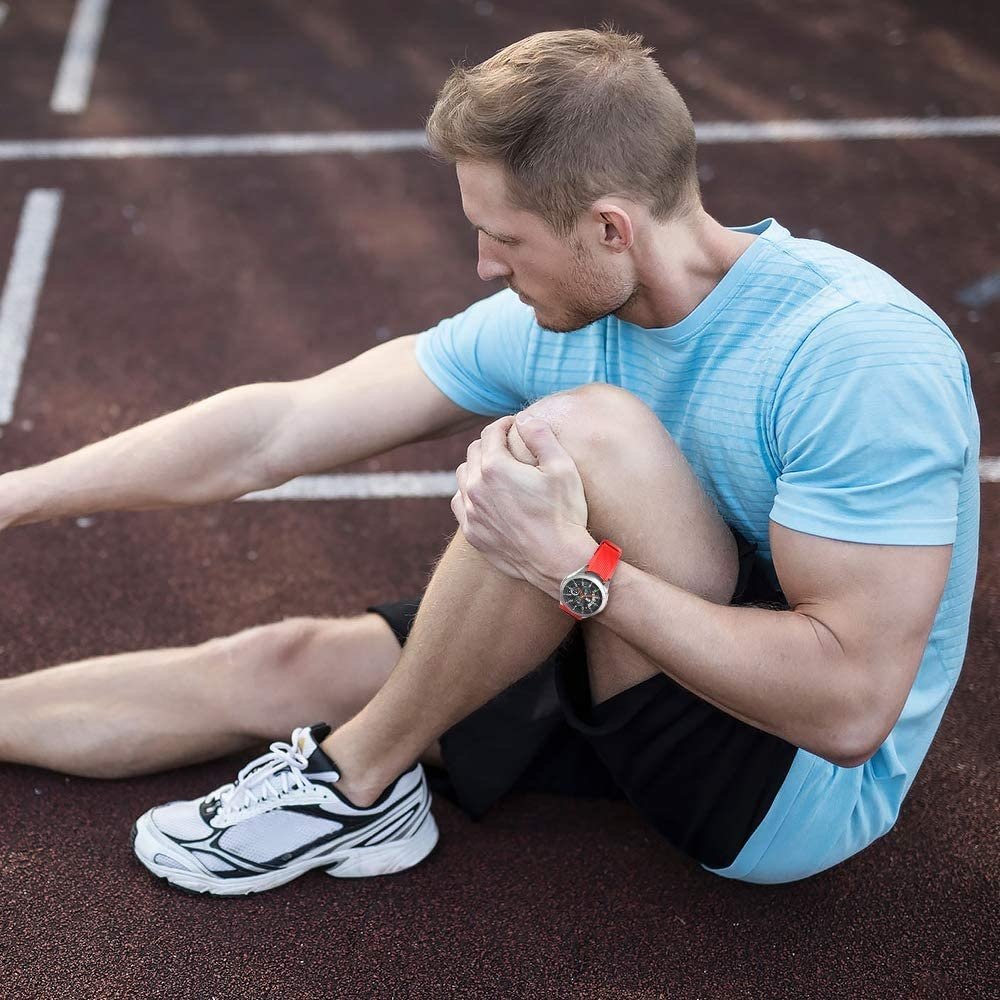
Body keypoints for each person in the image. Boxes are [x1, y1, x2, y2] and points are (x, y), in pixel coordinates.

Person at [0, 27, 979, 893]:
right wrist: (15, 495)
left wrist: (575, 572)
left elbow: (849, 708)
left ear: (609, 227)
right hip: (635, 631)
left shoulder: (853, 358)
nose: (483, 267)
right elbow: (277, 428)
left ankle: (355, 783)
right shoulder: (560, 317)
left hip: (782, 791)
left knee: (571, 439)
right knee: (282, 661)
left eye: (501, 237)